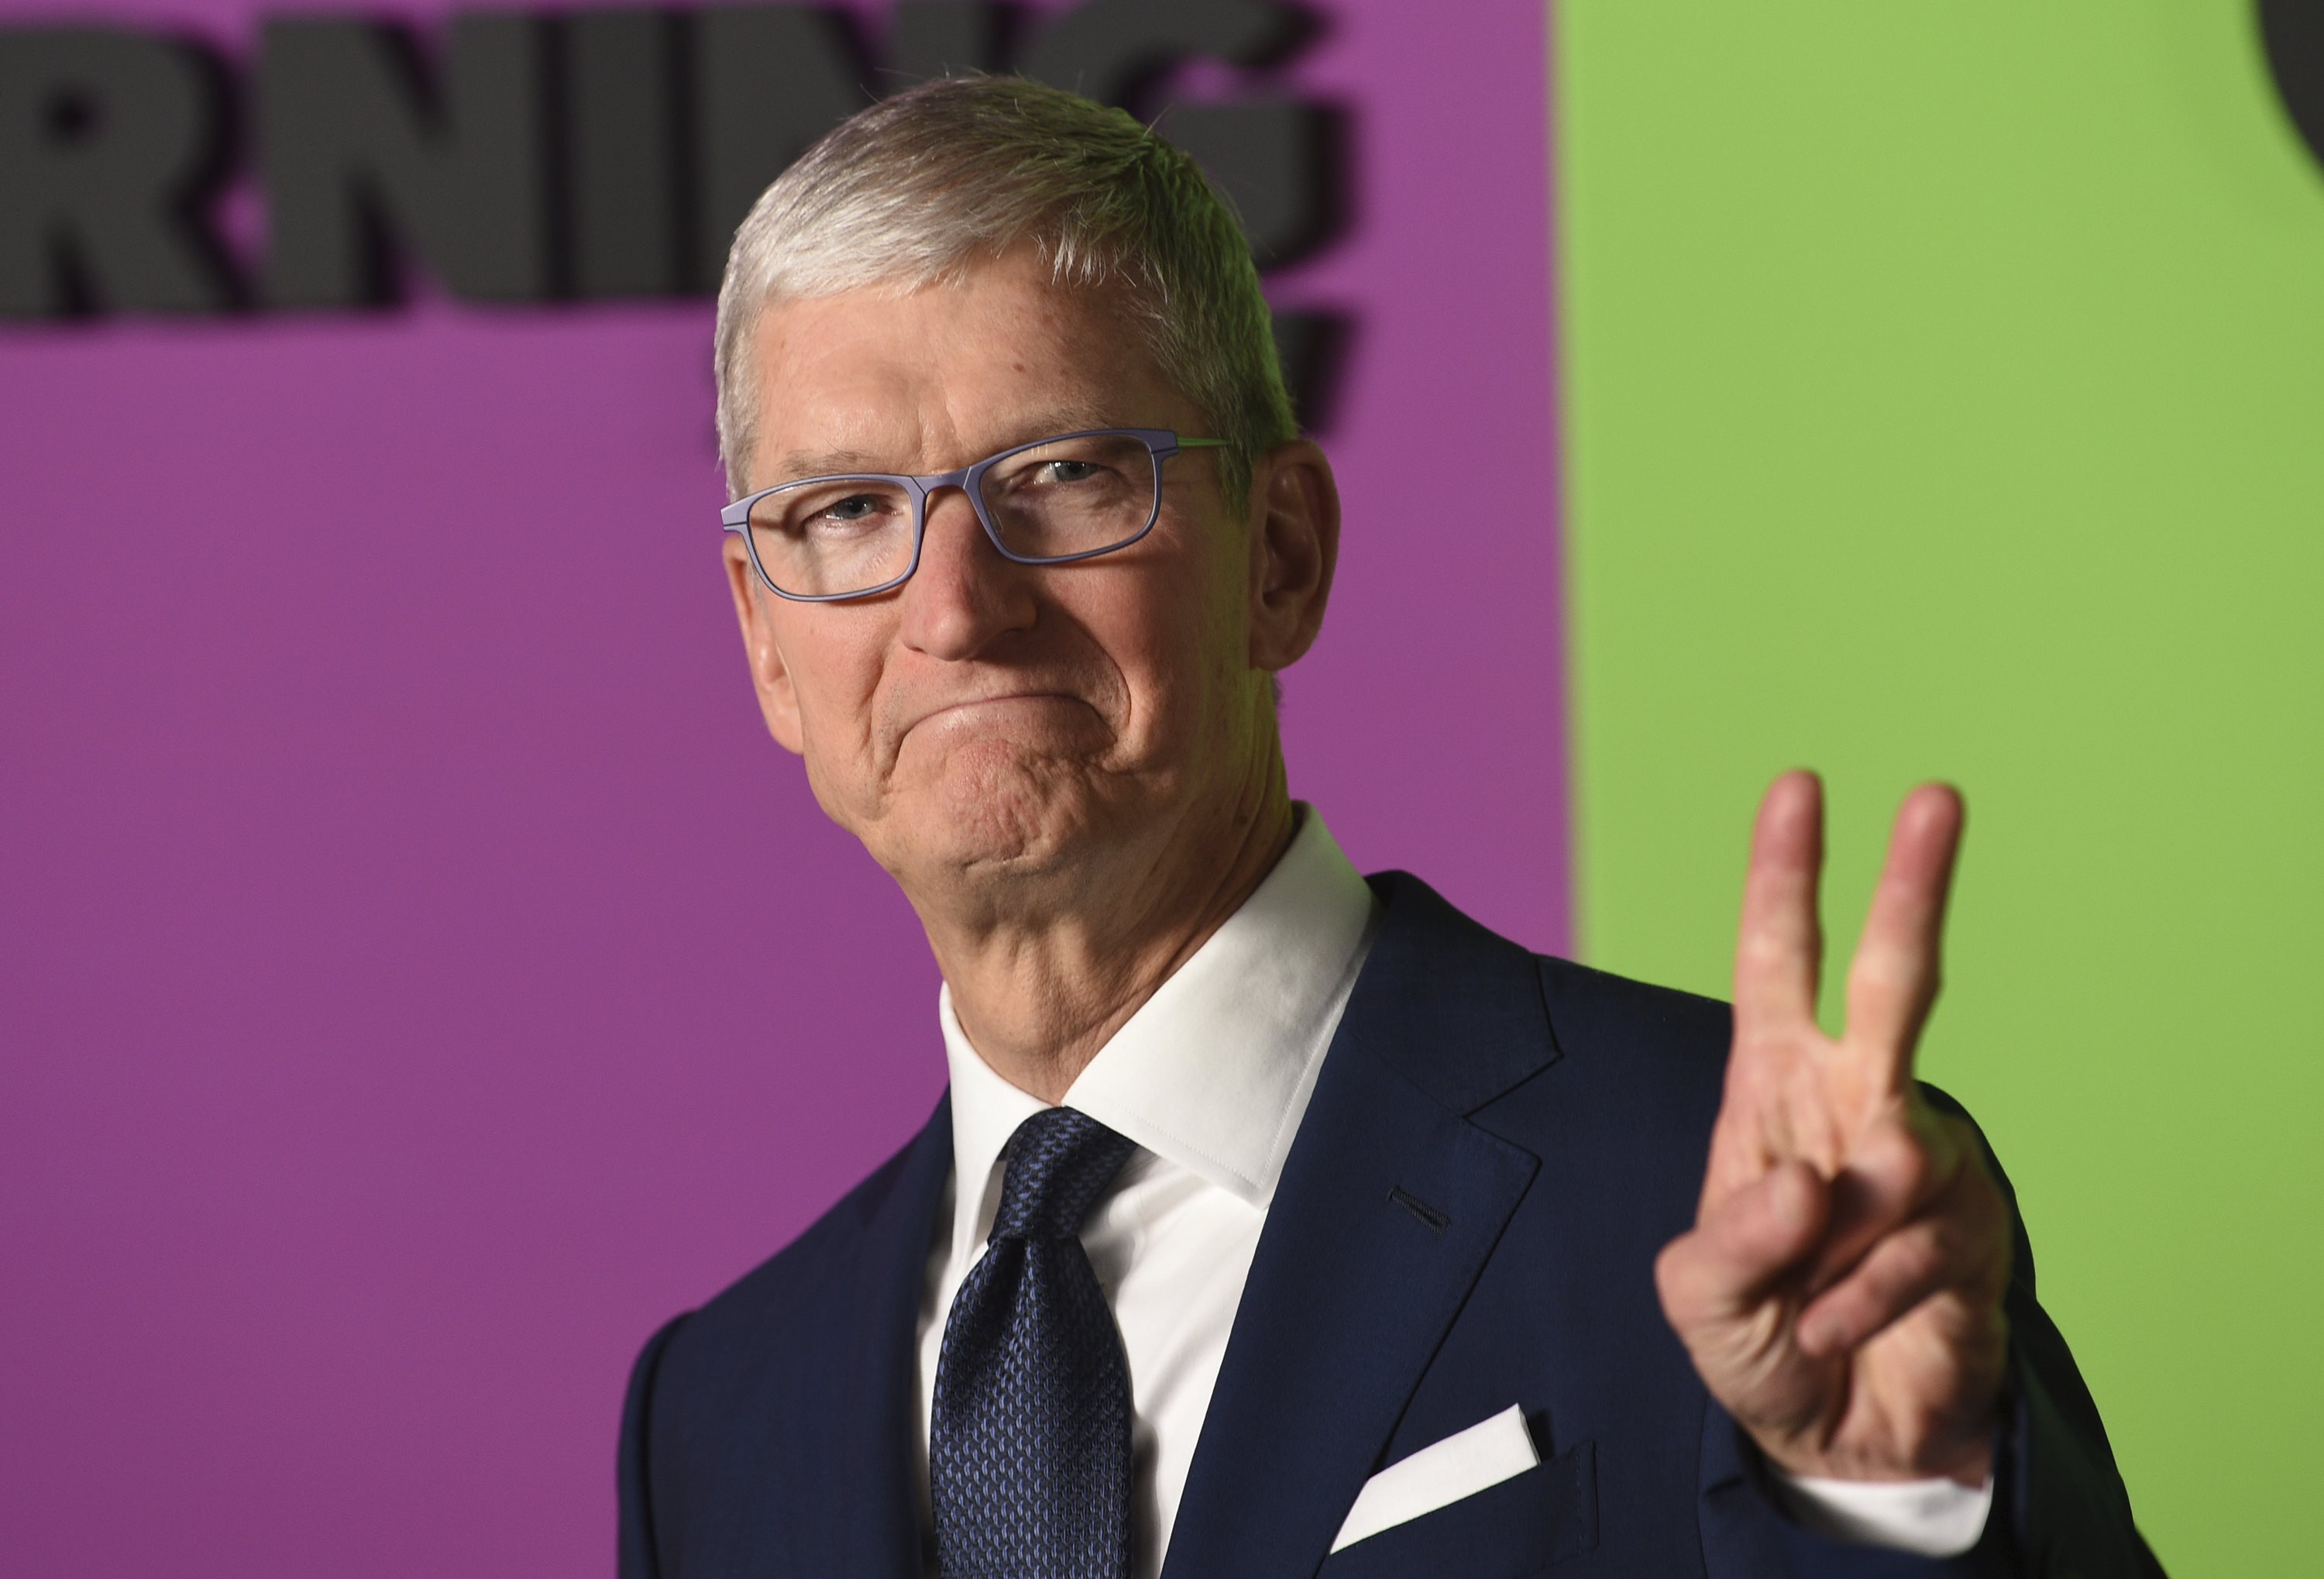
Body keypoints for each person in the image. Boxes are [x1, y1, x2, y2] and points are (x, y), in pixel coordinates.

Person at [617, 75, 2160, 1577]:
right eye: (845, 512)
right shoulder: (717, 1413)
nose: (956, 606)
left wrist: (1881, 1510)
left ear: (1280, 555)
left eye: (1066, 474)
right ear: (767, 644)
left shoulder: (1745, 1202)